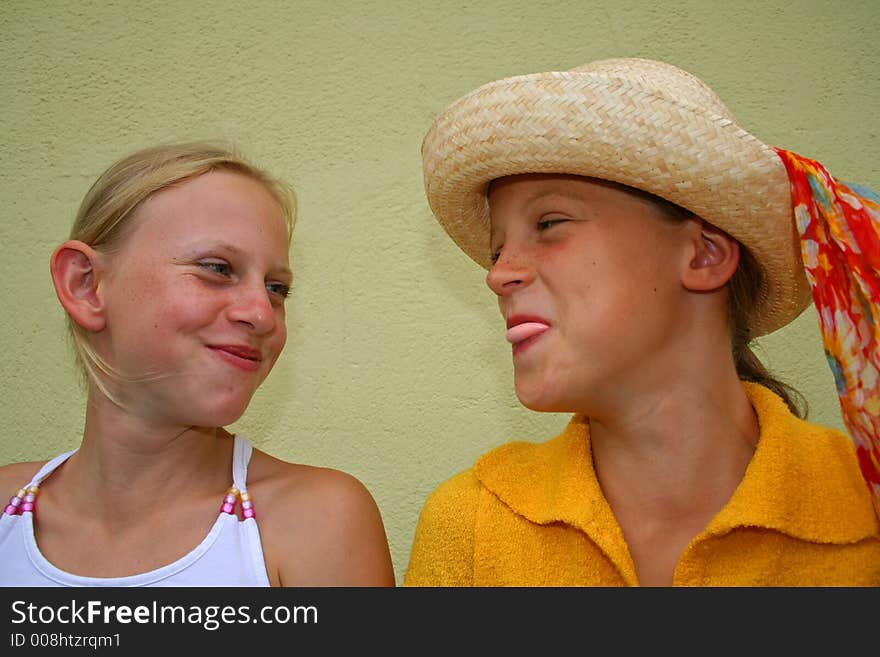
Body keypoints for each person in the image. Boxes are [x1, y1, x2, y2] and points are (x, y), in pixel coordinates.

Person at [404, 57, 880, 586]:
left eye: (549, 222)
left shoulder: (867, 508)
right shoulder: (473, 524)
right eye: (497, 251)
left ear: (704, 255)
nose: (499, 276)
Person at [0, 141, 396, 586]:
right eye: (218, 268)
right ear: (85, 285)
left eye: (277, 289)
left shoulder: (316, 523)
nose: (262, 313)